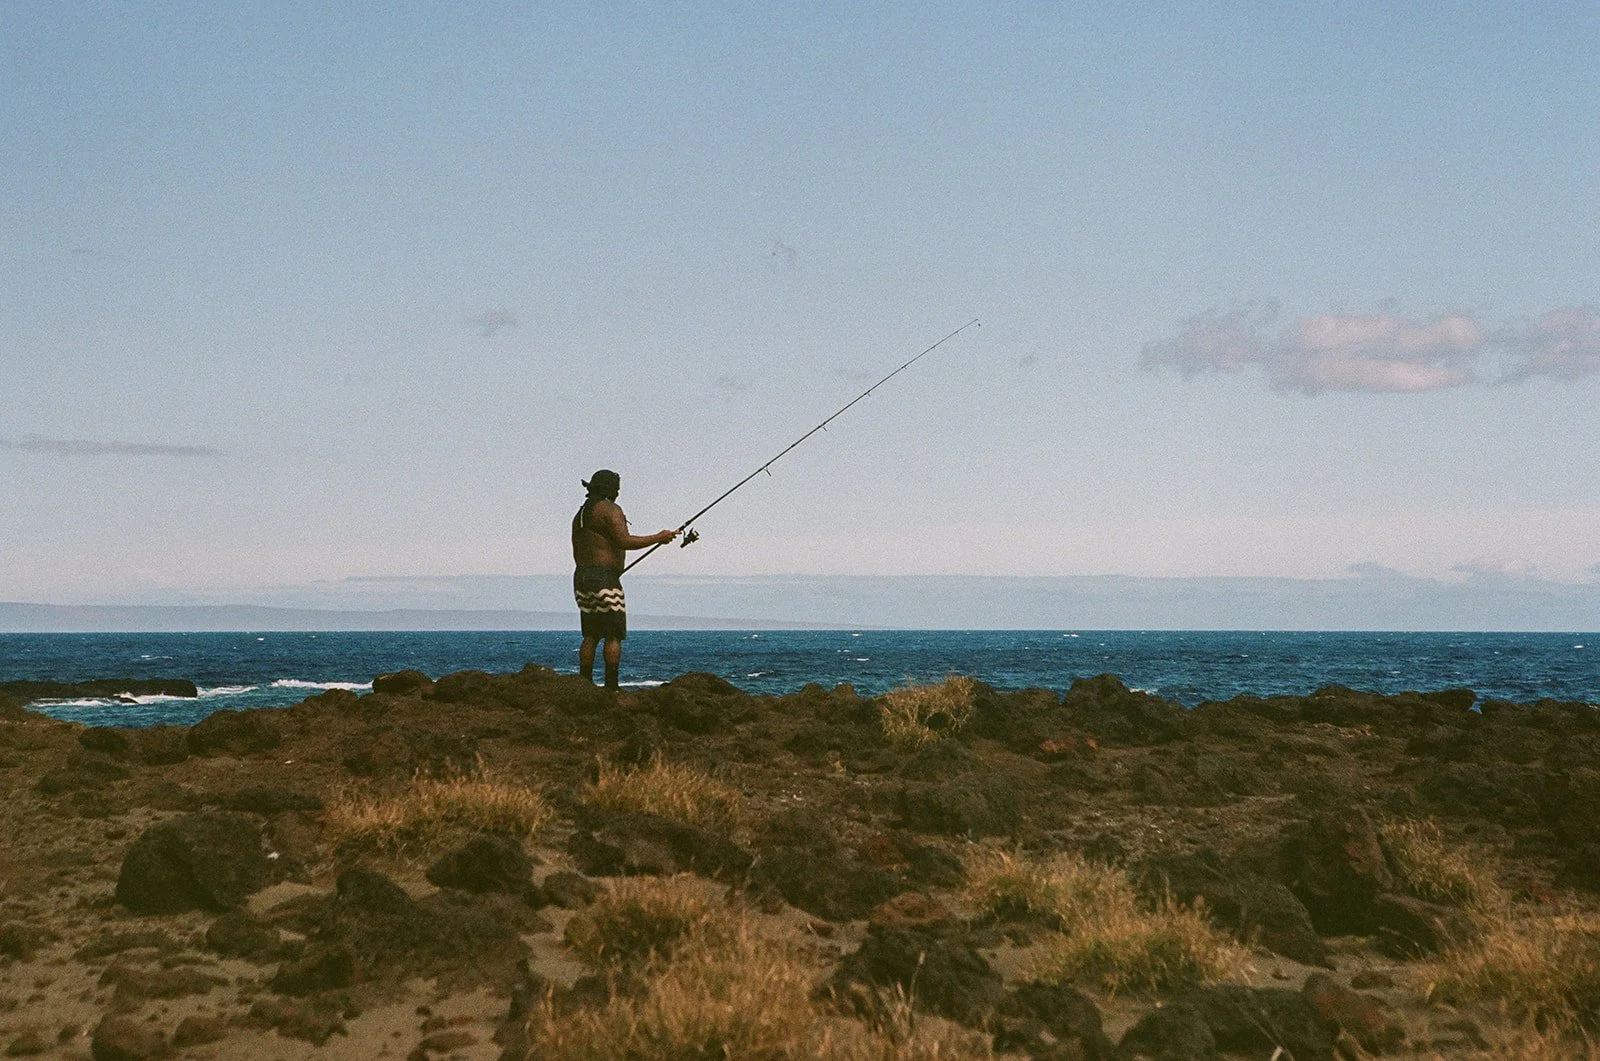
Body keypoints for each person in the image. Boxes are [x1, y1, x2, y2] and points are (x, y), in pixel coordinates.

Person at [570, 469, 677, 690]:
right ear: (611, 489)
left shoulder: (580, 516)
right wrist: (660, 537)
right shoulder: (610, 509)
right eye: (616, 488)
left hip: (582, 577)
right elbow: (624, 541)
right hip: (604, 579)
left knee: (591, 634)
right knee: (613, 634)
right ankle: (611, 687)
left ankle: (584, 685)